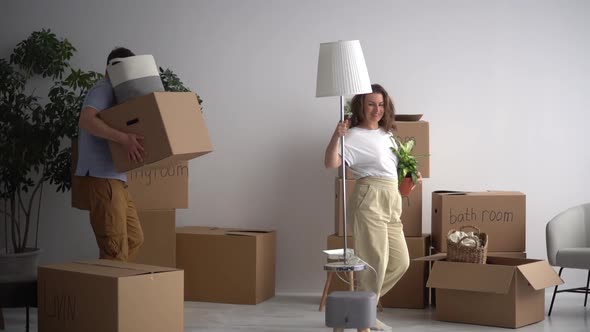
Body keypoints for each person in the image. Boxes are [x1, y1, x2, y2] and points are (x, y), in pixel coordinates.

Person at [324, 84, 411, 331]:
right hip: (369, 198)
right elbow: (331, 163)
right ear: (361, 106)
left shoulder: (387, 135)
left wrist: (408, 180)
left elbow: (391, 169)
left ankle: (360, 309)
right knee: (376, 262)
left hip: (391, 200)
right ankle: (364, 321)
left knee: (400, 262)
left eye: (381, 104)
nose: (377, 109)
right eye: (371, 104)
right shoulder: (352, 136)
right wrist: (336, 135)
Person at [75, 47, 145, 261]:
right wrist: (124, 139)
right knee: (115, 249)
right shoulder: (103, 88)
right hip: (102, 178)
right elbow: (86, 120)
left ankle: (113, 282)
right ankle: (110, 289)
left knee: (134, 238)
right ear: (112, 69)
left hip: (116, 179)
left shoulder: (118, 94)